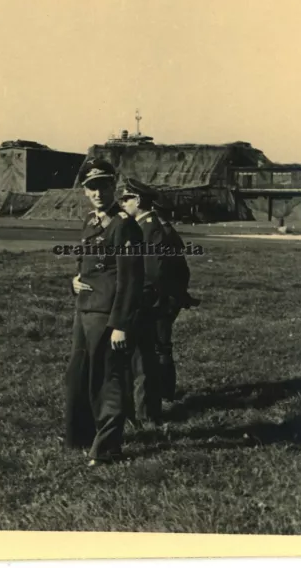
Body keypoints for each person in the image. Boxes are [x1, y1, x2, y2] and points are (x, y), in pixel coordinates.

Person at [64, 158, 144, 467]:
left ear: (114, 187)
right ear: (84, 191)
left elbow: (131, 280)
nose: (98, 193)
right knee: (78, 377)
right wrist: (74, 281)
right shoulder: (90, 222)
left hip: (107, 315)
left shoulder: (124, 225)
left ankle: (107, 449)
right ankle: (80, 437)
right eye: (91, 187)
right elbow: (84, 262)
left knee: (108, 380)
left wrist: (121, 324)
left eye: (103, 186)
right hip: (84, 310)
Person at [119, 177, 169, 425]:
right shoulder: (143, 225)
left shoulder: (149, 227)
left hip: (143, 303)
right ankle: (138, 411)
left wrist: (139, 301)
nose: (123, 203)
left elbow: (152, 272)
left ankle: (147, 414)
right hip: (138, 301)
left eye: (126, 198)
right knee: (136, 358)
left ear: (138, 200)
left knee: (143, 359)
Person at [153, 199, 200, 402]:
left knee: (161, 346)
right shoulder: (168, 233)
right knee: (161, 345)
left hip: (165, 299)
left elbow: (168, 272)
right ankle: (165, 391)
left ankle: (165, 392)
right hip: (170, 297)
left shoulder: (163, 235)